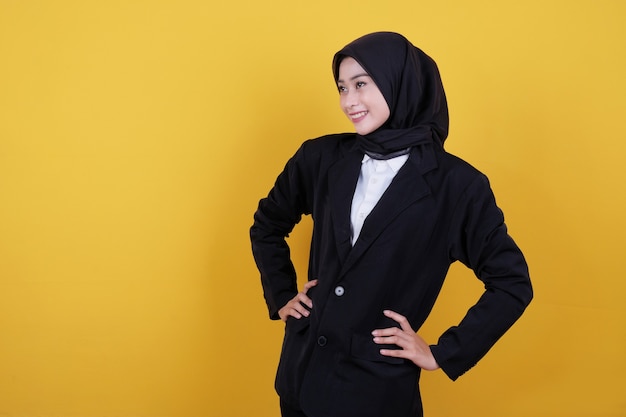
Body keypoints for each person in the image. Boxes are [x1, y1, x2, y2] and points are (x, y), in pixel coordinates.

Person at [250, 31, 533, 417]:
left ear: (399, 82)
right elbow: (267, 223)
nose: (349, 101)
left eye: (361, 84)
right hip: (300, 381)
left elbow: (511, 282)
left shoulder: (456, 186)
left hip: (376, 394)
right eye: (342, 87)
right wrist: (281, 294)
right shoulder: (320, 157)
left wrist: (442, 353)